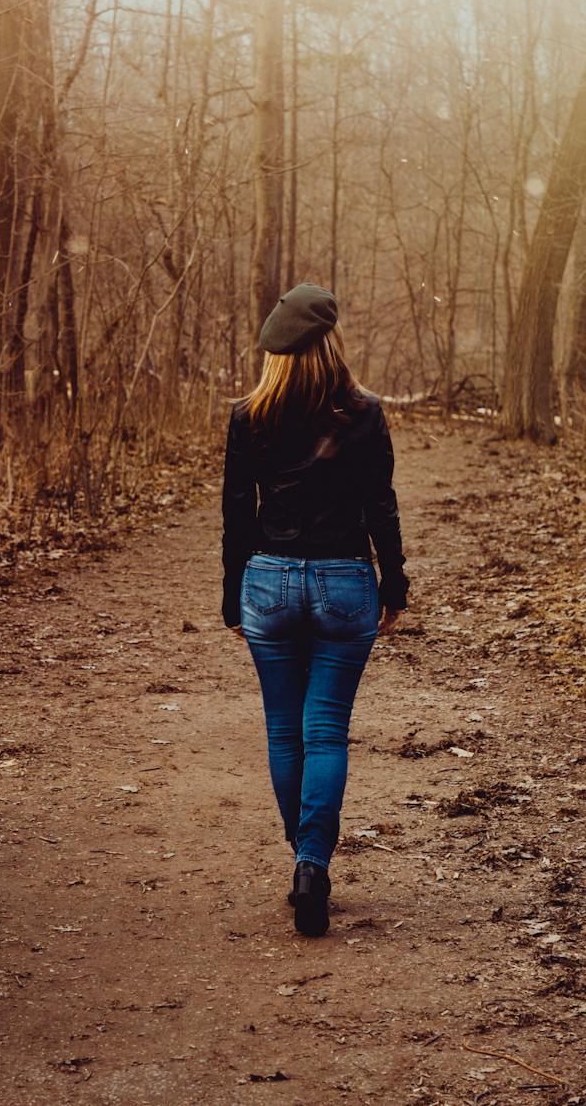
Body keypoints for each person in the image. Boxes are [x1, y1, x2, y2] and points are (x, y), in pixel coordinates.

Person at [222, 283, 409, 937]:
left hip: (268, 582)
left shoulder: (250, 414)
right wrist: (396, 587)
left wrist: (231, 594)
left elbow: (235, 514)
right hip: (343, 582)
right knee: (325, 729)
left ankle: (302, 859)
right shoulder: (363, 412)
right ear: (331, 343)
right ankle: (311, 861)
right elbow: (380, 505)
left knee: (283, 729)